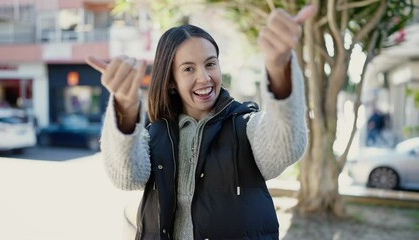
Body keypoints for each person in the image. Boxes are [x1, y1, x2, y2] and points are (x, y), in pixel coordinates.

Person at [87, 5, 314, 240]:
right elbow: (126, 176)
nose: (204, 78)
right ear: (171, 81)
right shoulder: (154, 135)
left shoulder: (245, 126)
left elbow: (286, 147)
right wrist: (124, 105)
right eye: (188, 69)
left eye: (210, 64)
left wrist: (279, 69)